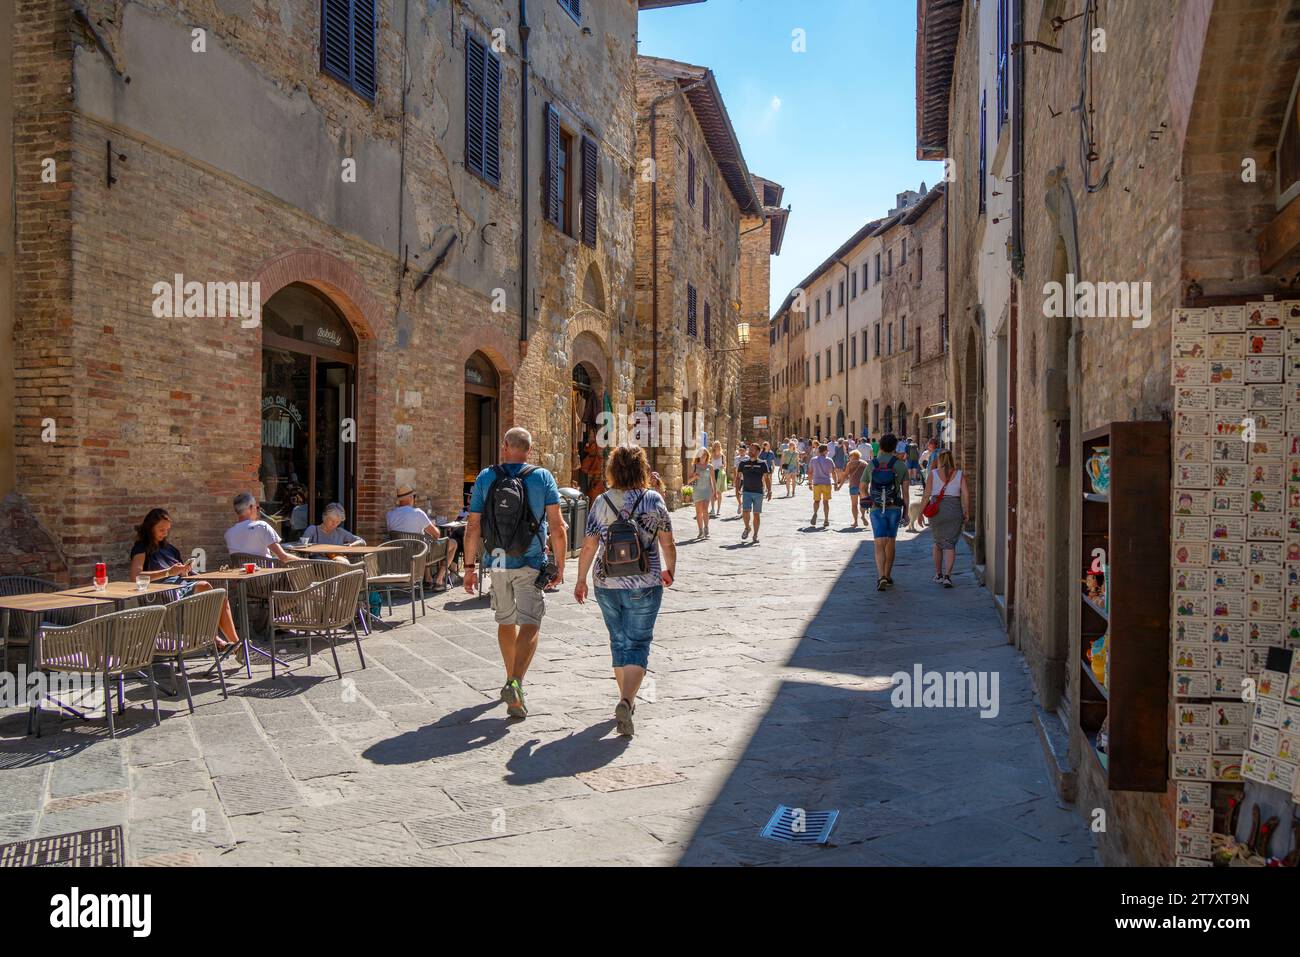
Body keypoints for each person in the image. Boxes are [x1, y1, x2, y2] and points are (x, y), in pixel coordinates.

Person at [462, 427, 566, 719]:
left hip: (496, 563)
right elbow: (557, 527)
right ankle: (515, 682)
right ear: (529, 450)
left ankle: (511, 681)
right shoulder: (541, 477)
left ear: (504, 446)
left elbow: (473, 526)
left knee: (506, 621)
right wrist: (559, 564)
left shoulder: (486, 477)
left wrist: (469, 568)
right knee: (531, 623)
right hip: (530, 562)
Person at [574, 445, 675, 737]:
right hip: (645, 581)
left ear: (613, 470)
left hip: (606, 583)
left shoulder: (602, 501)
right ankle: (627, 701)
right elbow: (667, 542)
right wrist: (671, 569)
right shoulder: (654, 499)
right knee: (638, 643)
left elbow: (590, 545)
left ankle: (624, 700)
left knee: (618, 641)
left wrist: (580, 579)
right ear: (642, 469)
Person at [131, 508, 242, 654]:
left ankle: (235, 645)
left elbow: (182, 574)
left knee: (221, 597)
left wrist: (186, 570)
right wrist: (169, 572)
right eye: (161, 529)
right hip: (164, 596)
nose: (165, 533)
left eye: (167, 530)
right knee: (205, 588)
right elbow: (136, 577)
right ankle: (216, 639)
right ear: (149, 527)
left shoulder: (170, 549)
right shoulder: (141, 547)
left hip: (182, 588)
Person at [386, 486, 454, 591]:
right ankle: (439, 580)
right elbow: (436, 534)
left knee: (423, 543)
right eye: (414, 496)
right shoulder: (418, 513)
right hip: (420, 555)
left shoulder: (390, 515)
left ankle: (428, 579)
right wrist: (431, 524)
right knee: (453, 544)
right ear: (410, 498)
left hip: (400, 554)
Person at [866, 433, 910, 590]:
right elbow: (905, 492)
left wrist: (866, 500)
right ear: (894, 447)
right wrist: (906, 512)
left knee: (879, 543)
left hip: (876, 509)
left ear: (881, 446)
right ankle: (888, 575)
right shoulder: (900, 465)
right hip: (894, 508)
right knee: (890, 542)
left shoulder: (872, 464)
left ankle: (881, 576)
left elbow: (863, 487)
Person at [925, 450, 968, 588]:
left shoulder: (933, 474)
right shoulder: (959, 474)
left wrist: (920, 513)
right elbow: (966, 495)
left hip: (937, 511)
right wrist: (967, 511)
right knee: (950, 544)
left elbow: (926, 495)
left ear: (939, 460)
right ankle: (948, 576)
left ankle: (938, 574)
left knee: (938, 543)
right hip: (954, 511)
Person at [225, 492, 294, 563]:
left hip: (241, 573)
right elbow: (284, 557)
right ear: (251, 508)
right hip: (266, 573)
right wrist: (305, 561)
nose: (258, 511)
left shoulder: (229, 534)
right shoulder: (261, 526)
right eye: (257, 507)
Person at [736, 441, 772, 544]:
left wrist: (769, 491)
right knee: (745, 511)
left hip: (758, 492)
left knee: (756, 514)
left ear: (758, 452)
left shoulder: (762, 464)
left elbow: (767, 478)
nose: (750, 451)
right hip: (746, 491)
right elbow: (738, 477)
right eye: (749, 449)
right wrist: (737, 489)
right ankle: (747, 528)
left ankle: (755, 535)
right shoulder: (743, 463)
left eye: (752, 450)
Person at [836, 448, 868, 529]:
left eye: (850, 455)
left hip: (853, 486)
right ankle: (863, 516)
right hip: (863, 486)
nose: (849, 457)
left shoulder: (849, 464)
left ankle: (855, 522)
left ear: (853, 456)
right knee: (863, 503)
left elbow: (845, 476)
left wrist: (839, 486)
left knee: (854, 504)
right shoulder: (864, 463)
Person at [808, 443, 835, 528]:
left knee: (816, 501)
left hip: (816, 483)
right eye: (827, 450)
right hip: (826, 483)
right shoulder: (829, 460)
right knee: (826, 502)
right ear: (825, 451)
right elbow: (833, 472)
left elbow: (810, 472)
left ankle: (815, 513)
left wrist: (809, 483)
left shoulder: (813, 460)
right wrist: (836, 483)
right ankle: (826, 519)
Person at [690, 447, 714, 539]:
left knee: (705, 509)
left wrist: (714, 492)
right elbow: (688, 481)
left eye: (705, 454)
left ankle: (706, 528)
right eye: (701, 454)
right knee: (698, 512)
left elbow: (713, 481)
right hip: (697, 491)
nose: (703, 456)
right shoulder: (695, 466)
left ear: (707, 456)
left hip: (707, 491)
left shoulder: (710, 467)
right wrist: (694, 477)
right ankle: (700, 531)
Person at [709, 441, 726, 518]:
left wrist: (723, 467)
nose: (717, 447)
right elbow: (709, 464)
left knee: (719, 492)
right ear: (714, 447)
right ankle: (712, 509)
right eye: (716, 445)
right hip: (712, 474)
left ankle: (718, 509)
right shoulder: (711, 456)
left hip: (719, 474)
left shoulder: (722, 456)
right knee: (712, 492)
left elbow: (725, 466)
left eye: (718, 445)